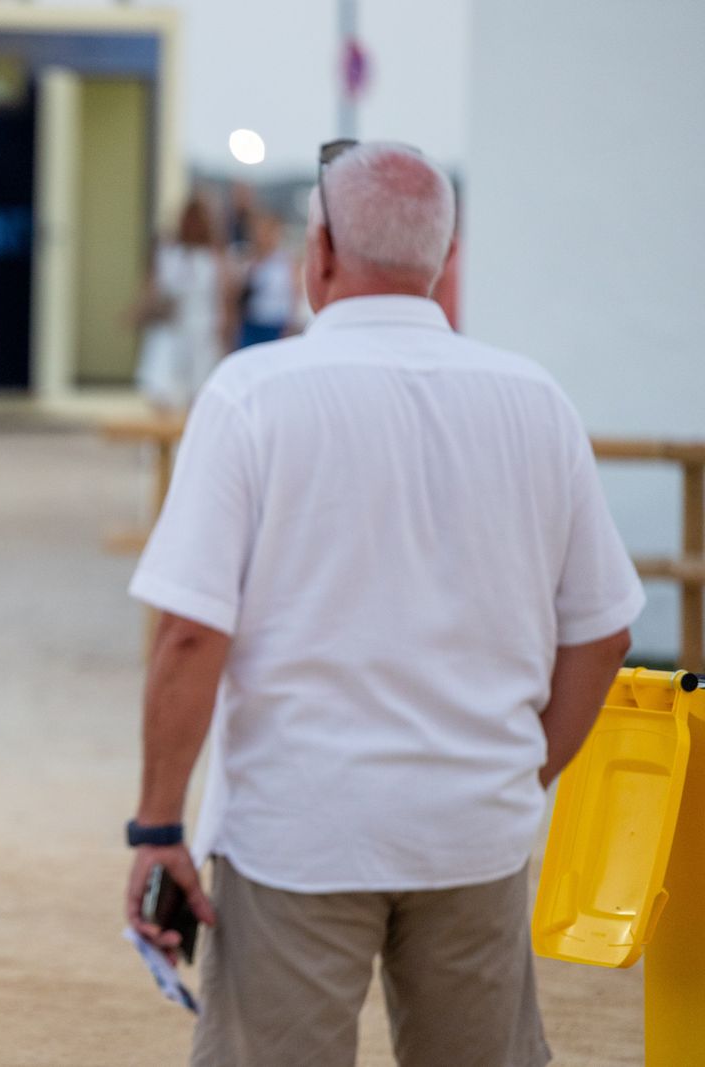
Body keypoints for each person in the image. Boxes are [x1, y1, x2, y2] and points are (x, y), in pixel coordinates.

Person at [123, 141, 644, 1067]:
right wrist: (521, 774)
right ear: (445, 260)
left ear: (317, 253)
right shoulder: (536, 401)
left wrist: (158, 826)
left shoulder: (252, 396)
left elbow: (192, 634)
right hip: (473, 833)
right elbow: (603, 632)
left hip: (299, 831)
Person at [132, 200, 224, 413]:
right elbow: (154, 290)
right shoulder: (171, 253)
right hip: (171, 333)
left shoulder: (213, 257)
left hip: (202, 333)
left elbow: (222, 299)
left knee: (198, 396)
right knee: (163, 393)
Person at [231, 213, 297, 349]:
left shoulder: (285, 261)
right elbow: (238, 296)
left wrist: (290, 326)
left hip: (275, 323)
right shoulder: (248, 259)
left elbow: (293, 294)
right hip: (252, 323)